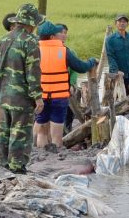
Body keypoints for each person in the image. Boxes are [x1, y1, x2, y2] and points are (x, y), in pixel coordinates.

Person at [0, 3, 44, 174]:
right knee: (19, 133)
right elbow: (33, 72)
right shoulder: (30, 42)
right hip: (21, 99)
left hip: (3, 96)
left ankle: (3, 165)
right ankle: (16, 169)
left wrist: (0, 89)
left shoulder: (3, 39)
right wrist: (37, 97)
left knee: (4, 132)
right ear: (31, 23)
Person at [35, 20, 97, 151]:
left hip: (40, 97)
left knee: (41, 131)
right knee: (57, 134)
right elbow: (81, 67)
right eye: (57, 33)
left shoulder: (34, 51)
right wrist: (91, 61)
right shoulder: (64, 51)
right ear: (52, 37)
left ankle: (41, 156)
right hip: (59, 97)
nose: (59, 35)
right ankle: (56, 158)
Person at [106, 13, 129, 96]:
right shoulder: (110, 39)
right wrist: (116, 71)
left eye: (124, 21)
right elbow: (111, 57)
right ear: (115, 23)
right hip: (118, 76)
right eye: (120, 21)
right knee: (119, 100)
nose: (122, 23)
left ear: (127, 24)